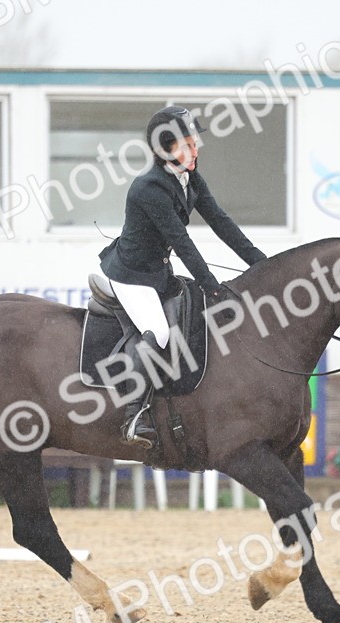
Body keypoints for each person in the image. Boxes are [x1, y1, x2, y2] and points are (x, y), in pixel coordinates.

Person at [98, 106, 268, 448]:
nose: (195, 149)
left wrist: (263, 265)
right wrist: (211, 285)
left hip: (158, 273)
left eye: (195, 143)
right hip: (131, 277)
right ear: (165, 148)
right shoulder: (148, 188)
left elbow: (221, 223)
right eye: (187, 144)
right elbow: (182, 242)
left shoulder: (189, 178)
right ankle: (133, 415)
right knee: (159, 332)